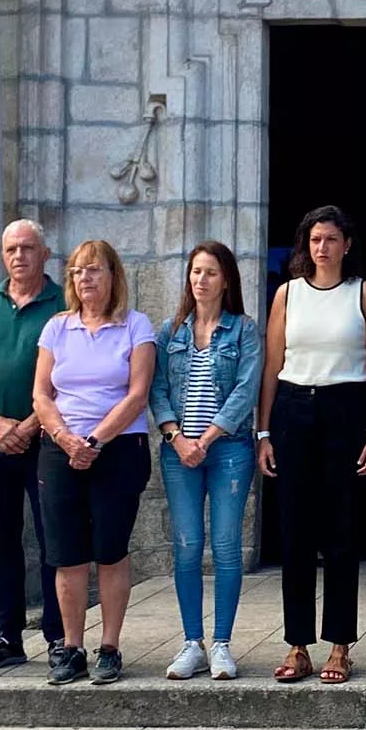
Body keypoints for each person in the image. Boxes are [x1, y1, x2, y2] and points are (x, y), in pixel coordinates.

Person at [258, 206, 366, 685]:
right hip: (293, 409)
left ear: (346, 244)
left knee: (341, 531)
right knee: (295, 532)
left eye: (331, 239)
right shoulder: (287, 295)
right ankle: (297, 644)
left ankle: (339, 644)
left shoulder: (364, 293)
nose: (322, 248)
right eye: (315, 240)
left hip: (347, 409)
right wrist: (264, 431)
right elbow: (273, 364)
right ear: (304, 245)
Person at [32, 240, 155, 686]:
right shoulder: (56, 328)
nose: (86, 279)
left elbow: (137, 393)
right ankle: (71, 647)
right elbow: (42, 394)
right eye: (79, 272)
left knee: (110, 550)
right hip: (60, 449)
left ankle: (109, 647)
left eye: (95, 270)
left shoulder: (135, 326)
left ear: (113, 276)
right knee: (66, 554)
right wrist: (67, 439)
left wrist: (95, 440)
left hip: (118, 448)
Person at [0, 219, 68, 675]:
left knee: (52, 540)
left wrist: (27, 424)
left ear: (45, 253)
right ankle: (8, 636)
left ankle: (59, 636)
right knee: (0, 539)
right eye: (10, 249)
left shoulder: (63, 303)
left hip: (46, 441)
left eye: (27, 248)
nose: (18, 256)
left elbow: (71, 376)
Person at [150, 241, 263, 681]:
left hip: (229, 450)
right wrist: (178, 438)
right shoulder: (170, 331)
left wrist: (209, 437)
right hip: (179, 452)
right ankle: (191, 642)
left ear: (226, 279)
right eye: (196, 272)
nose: (201, 280)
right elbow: (156, 389)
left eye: (211, 272)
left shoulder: (243, 330)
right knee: (187, 546)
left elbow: (245, 390)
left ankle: (221, 644)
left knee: (227, 546)